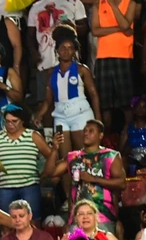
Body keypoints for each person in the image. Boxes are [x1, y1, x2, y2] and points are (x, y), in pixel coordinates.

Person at [45, 120, 126, 227]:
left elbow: (122, 183)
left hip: (102, 216)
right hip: (77, 217)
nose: (86, 133)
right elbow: (50, 172)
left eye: (91, 131)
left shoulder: (111, 156)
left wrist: (94, 179)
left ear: (100, 135)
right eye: (85, 131)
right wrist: (55, 149)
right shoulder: (73, 157)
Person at [40, 32, 101, 169]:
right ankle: (69, 191)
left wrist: (98, 120)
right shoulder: (51, 73)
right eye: (63, 48)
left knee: (84, 155)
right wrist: (39, 115)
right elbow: (48, 100)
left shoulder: (82, 70)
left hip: (80, 113)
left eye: (70, 48)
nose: (66, 51)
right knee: (65, 158)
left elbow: (94, 94)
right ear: (57, 51)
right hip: (60, 115)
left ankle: (87, 188)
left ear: (74, 51)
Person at [0, 107, 53, 214]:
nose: (10, 124)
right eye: (7, 121)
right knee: (7, 223)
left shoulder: (33, 136)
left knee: (32, 220)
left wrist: (44, 173)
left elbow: (51, 156)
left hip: (29, 186)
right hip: (6, 187)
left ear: (22, 120)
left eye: (14, 121)